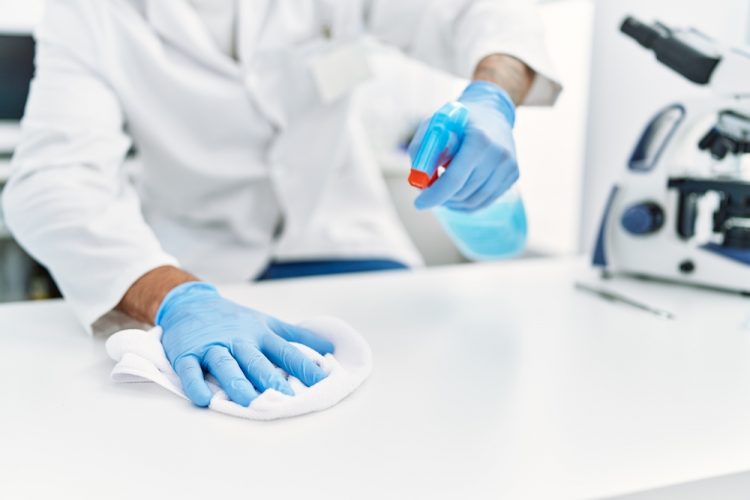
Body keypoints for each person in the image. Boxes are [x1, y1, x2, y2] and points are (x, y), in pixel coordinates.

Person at [2, 0, 561, 407]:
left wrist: (493, 95)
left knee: (411, 408)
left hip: (348, 241)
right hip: (201, 276)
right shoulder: (87, 13)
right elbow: (55, 180)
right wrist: (178, 299)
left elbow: (483, 11)